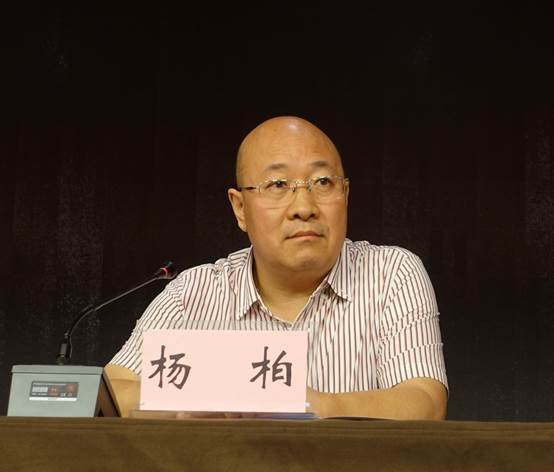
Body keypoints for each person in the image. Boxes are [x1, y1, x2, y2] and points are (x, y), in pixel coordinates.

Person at [105, 116, 448, 419]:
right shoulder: (192, 294)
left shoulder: (391, 275)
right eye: (278, 185)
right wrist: (201, 396)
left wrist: (314, 406)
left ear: (345, 194)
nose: (304, 207)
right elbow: (111, 394)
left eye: (322, 182)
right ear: (240, 208)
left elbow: (424, 402)